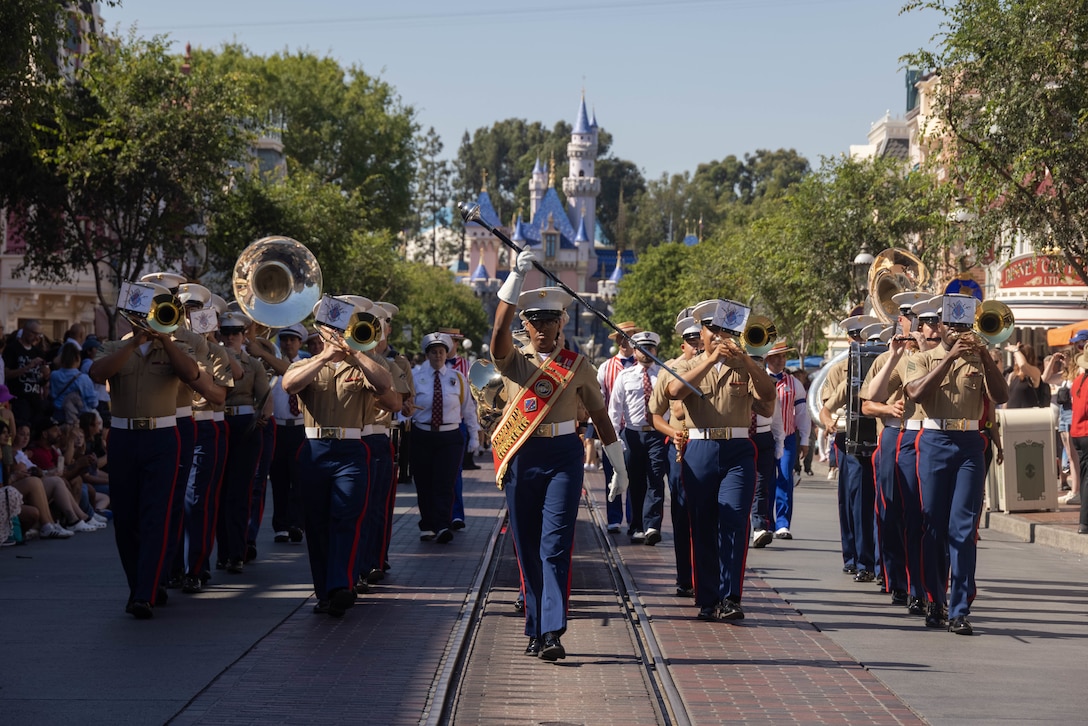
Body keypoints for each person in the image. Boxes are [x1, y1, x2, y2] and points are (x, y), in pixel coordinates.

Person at [491, 251, 627, 661]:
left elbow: (601, 418)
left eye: (550, 321)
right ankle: (534, 625)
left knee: (555, 545)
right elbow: (497, 332)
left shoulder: (578, 365)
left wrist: (617, 465)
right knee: (526, 547)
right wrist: (515, 279)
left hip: (564, 457)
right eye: (535, 321)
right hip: (523, 455)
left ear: (561, 323)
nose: (543, 329)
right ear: (526, 326)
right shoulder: (514, 362)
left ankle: (552, 630)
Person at [281, 298, 398, 618]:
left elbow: (386, 386)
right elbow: (289, 385)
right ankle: (325, 591)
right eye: (333, 329)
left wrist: (357, 353)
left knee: (347, 518)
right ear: (320, 331)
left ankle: (342, 585)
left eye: (343, 329)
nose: (338, 334)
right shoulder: (305, 365)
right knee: (317, 525)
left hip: (350, 450)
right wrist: (324, 358)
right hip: (315, 450)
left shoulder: (361, 364)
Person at [904, 293, 1009, 635]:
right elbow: (916, 393)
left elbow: (1002, 396)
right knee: (932, 526)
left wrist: (986, 358)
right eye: (953, 324)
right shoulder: (921, 357)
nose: (960, 331)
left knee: (963, 529)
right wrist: (949, 357)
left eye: (965, 325)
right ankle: (934, 597)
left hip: (968, 445)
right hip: (934, 441)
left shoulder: (980, 359)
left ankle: (960, 608)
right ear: (938, 326)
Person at [666, 298, 777, 622]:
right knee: (702, 526)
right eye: (712, 329)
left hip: (738, 450)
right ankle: (707, 597)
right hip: (699, 450)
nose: (719, 336)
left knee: (733, 521)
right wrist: (711, 358)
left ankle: (731, 597)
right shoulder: (689, 365)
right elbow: (674, 391)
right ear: (701, 332)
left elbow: (768, 398)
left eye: (726, 330)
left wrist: (749, 360)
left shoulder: (743, 363)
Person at [89, 308, 201, 619]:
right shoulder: (114, 347)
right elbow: (97, 374)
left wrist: (165, 340)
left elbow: (191, 374)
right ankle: (140, 584)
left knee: (157, 515)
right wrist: (132, 343)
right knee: (126, 519)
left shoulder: (177, 346)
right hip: (124, 438)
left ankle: (145, 593)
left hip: (162, 438)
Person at [649, 312, 702, 596]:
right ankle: (685, 578)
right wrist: (673, 433)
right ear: (683, 343)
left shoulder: (714, 365)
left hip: (710, 443)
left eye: (700, 339)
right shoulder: (669, 369)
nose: (698, 345)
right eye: (692, 341)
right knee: (682, 513)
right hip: (682, 447)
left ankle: (706, 575)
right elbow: (656, 415)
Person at [410, 332, 479, 544]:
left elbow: (468, 409)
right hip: (422, 433)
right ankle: (427, 524)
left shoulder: (457, 378)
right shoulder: (416, 377)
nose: (438, 355)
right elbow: (405, 408)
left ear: (446, 353)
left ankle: (442, 524)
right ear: (427, 354)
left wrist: (474, 436)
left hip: (449, 436)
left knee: (445, 482)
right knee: (424, 482)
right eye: (433, 352)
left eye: (441, 351)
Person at [216, 309, 271, 574]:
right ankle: (222, 551)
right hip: (218, 423)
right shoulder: (211, 359)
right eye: (224, 333)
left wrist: (262, 416)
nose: (229, 338)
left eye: (235, 333)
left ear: (243, 336)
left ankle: (236, 553)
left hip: (244, 426)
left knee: (239, 492)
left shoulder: (254, 364)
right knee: (218, 491)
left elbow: (264, 396)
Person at [608, 330, 669, 545]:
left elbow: (670, 406)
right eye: (642, 349)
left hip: (656, 435)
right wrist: (614, 439)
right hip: (632, 434)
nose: (647, 352)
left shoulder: (663, 375)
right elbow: (615, 410)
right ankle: (636, 526)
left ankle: (652, 525)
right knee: (635, 482)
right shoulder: (625, 376)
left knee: (655, 479)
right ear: (635, 351)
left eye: (651, 348)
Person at [763, 339, 811, 540]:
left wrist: (805, 440)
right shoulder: (759, 378)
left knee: (784, 477)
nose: (782, 360)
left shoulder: (794, 383)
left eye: (784, 356)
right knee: (765, 481)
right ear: (768, 358)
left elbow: (802, 413)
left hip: (788, 437)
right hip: (764, 437)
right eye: (777, 356)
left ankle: (782, 523)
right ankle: (765, 522)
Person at [596, 320, 641, 534]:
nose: (625, 342)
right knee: (612, 472)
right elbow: (599, 399)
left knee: (633, 475)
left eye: (629, 337)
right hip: (612, 429)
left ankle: (634, 519)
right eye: (621, 338)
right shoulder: (606, 367)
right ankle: (614, 518)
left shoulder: (641, 367)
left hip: (632, 430)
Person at [268, 323, 308, 544]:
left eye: (293, 340)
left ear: (300, 343)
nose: (288, 344)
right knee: (279, 478)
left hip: (300, 428)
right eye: (284, 339)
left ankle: (297, 523)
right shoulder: (271, 367)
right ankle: (281, 525)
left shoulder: (305, 365)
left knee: (299, 478)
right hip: (279, 427)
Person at [3, 320, 50, 425]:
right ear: (25, 330)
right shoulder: (12, 349)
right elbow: (6, 374)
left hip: (35, 400)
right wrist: (28, 366)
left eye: (39, 334)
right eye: (34, 333)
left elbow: (42, 381)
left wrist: (46, 375)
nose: (37, 337)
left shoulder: (37, 352)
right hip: (19, 399)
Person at [1005, 341, 1050, 409]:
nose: (1015, 357)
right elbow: (1008, 398)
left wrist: (1016, 350)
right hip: (1010, 416)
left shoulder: (1035, 373)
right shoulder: (1013, 375)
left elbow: (1023, 365)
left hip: (1026, 417)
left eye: (1018, 355)